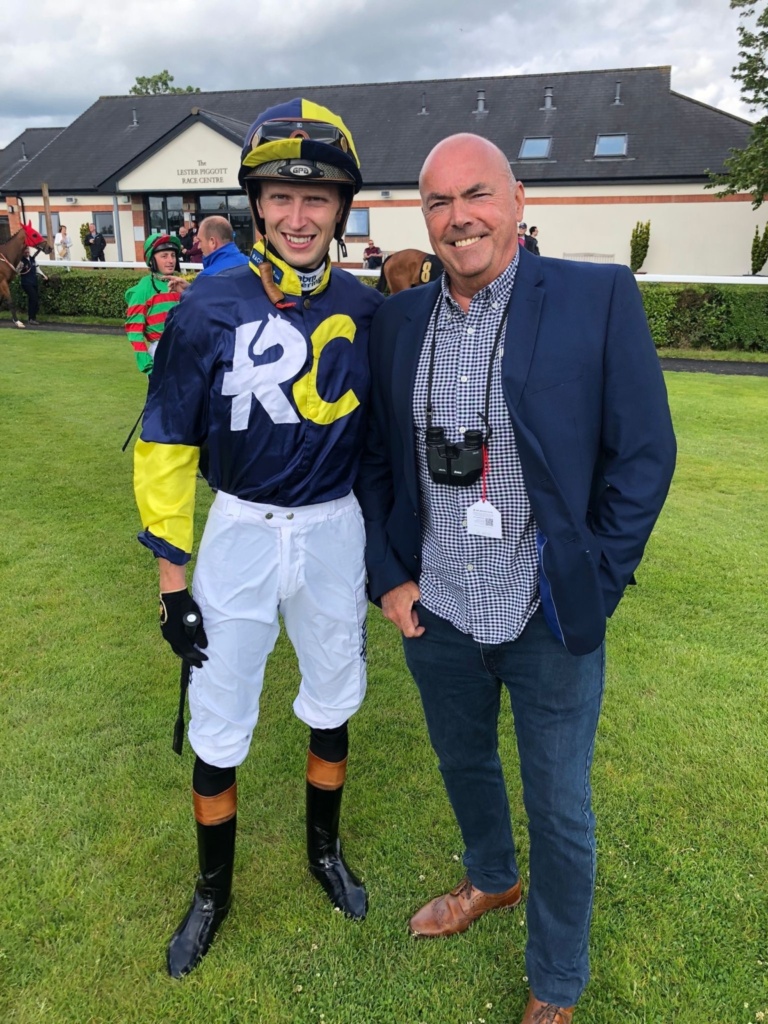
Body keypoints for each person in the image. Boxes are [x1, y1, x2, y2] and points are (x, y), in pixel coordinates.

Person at [356, 133, 676, 1024]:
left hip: (548, 617)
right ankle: (491, 881)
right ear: (422, 217)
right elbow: (375, 461)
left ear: (519, 199)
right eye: (438, 203)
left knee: (561, 806)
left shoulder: (595, 296)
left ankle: (556, 983)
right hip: (441, 610)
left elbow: (644, 455)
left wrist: (595, 583)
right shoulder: (397, 320)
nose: (459, 218)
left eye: (476, 195)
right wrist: (390, 579)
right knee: (463, 765)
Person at [133, 98, 383, 979]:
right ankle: (213, 892)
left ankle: (323, 853)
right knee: (219, 720)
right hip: (239, 532)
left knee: (333, 697)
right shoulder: (205, 306)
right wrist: (172, 584)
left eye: (318, 199)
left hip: (333, 531)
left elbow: (386, 448)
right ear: (256, 203)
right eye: (282, 195)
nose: (300, 215)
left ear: (343, 209)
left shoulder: (368, 305)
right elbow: (165, 449)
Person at [124, 234, 181, 373]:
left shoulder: (180, 284)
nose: (170, 260)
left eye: (173, 255)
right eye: (164, 256)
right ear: (152, 259)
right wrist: (147, 365)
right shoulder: (143, 290)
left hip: (185, 351)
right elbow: (134, 331)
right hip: (161, 353)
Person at [166, 215, 249, 295]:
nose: (199, 246)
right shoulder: (252, 264)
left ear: (212, 242)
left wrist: (190, 292)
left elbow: (195, 305)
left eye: (200, 241)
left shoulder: (208, 278)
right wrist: (190, 289)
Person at [18, 247, 48, 325]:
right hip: (26, 283)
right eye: (25, 250)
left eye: (27, 250)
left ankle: (32, 317)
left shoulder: (32, 259)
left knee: (34, 299)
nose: (27, 251)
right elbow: (17, 270)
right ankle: (31, 318)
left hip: (34, 282)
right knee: (33, 298)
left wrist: (43, 275)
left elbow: (38, 269)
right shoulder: (21, 261)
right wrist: (19, 267)